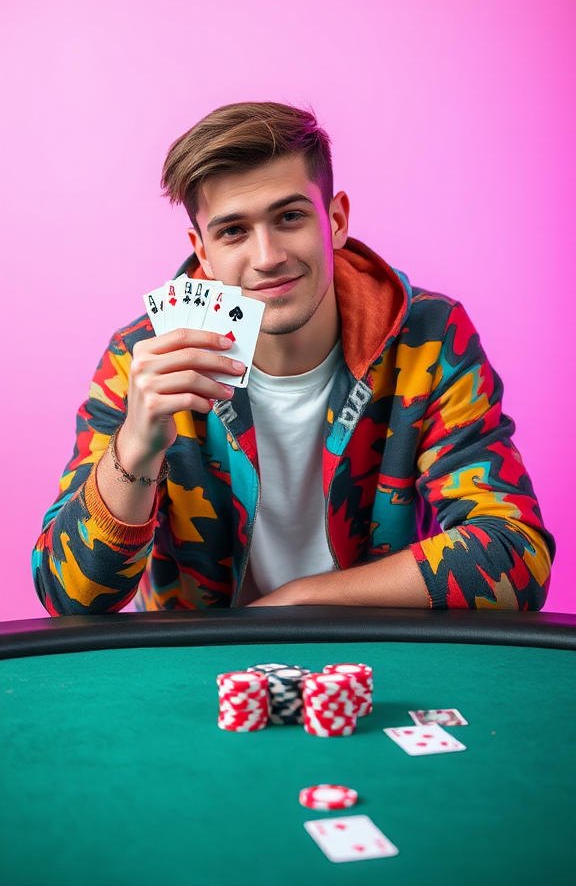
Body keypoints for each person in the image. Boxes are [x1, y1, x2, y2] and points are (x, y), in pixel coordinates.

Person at [32, 101, 554, 614]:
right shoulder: (142, 360)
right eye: (234, 231)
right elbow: (69, 597)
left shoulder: (429, 337)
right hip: (193, 669)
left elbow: (515, 557)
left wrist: (301, 599)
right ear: (203, 251)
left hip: (373, 658)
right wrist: (136, 448)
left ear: (336, 219)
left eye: (289, 217)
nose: (268, 257)